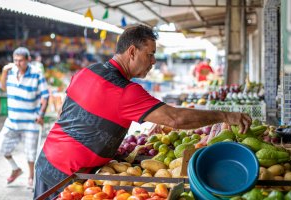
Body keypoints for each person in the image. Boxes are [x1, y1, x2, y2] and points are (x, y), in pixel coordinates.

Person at [34, 25, 251, 199]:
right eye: (151, 54)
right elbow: (175, 118)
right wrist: (225, 115)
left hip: (50, 160)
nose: (154, 61)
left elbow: (71, 113)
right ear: (132, 52)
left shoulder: (85, 72)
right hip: (67, 173)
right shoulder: (126, 91)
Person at [0, 47, 49, 188]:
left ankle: (31, 177)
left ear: (28, 60)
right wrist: (4, 71)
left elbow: (45, 96)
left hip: (30, 121)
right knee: (1, 147)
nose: (18, 63)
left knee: (31, 154)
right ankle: (15, 169)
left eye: (21, 61)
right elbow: (3, 88)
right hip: (12, 121)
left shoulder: (37, 74)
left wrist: (41, 114)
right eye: (15, 60)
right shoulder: (10, 72)